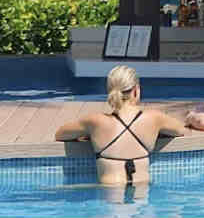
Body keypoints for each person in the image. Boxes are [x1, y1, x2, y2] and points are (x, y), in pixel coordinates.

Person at [55, 65, 186, 186]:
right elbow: (180, 130)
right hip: (142, 189)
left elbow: (60, 134)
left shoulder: (96, 122)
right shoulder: (154, 118)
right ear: (136, 90)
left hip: (111, 192)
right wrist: (157, 132)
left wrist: (88, 134)